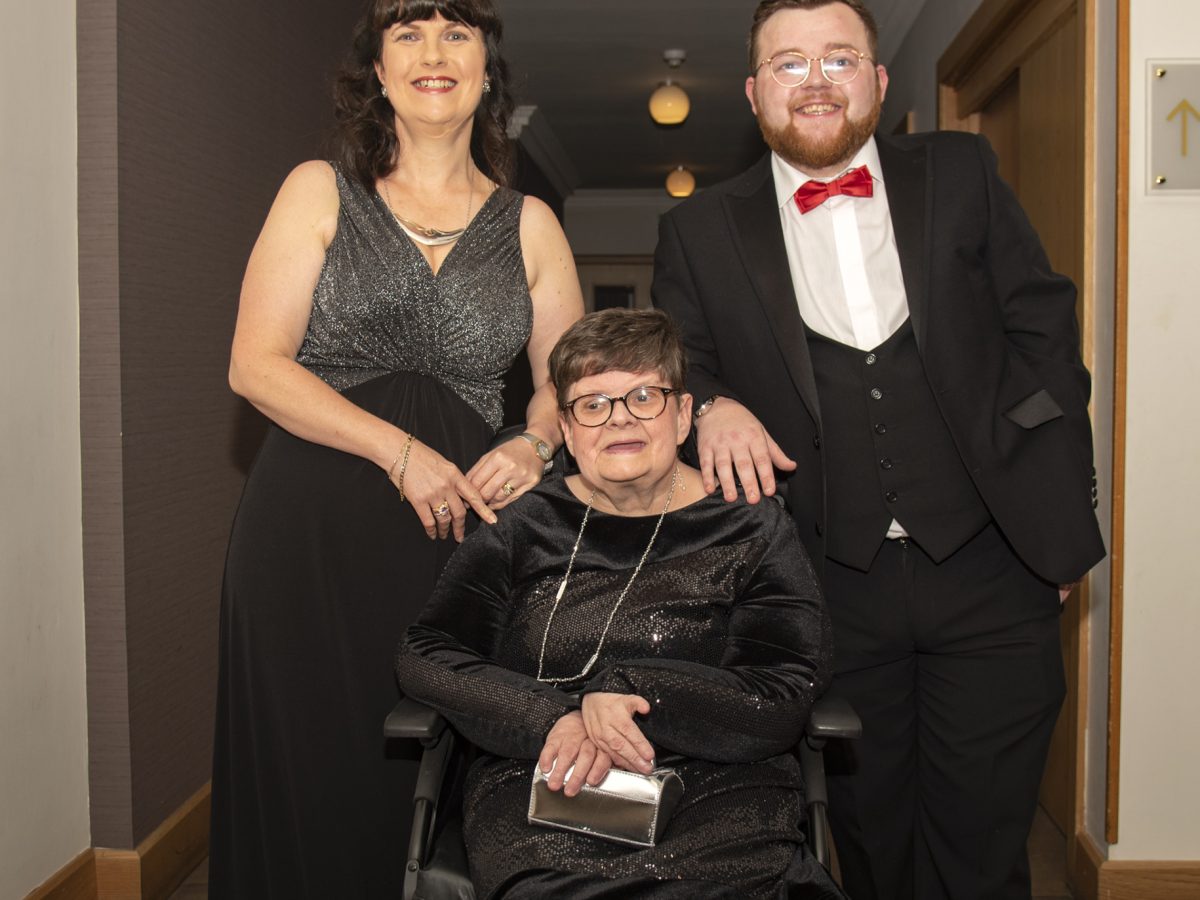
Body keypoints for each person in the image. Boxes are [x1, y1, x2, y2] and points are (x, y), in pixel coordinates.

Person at [651, 2, 1106, 898]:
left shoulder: (961, 171)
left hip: (994, 569)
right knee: (866, 842)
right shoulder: (698, 230)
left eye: (839, 58)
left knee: (985, 845)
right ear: (753, 93)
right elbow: (679, 362)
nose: (815, 82)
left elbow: (1047, 335)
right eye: (788, 64)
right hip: (826, 586)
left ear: (878, 79)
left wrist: (1054, 520)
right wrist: (712, 405)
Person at [208, 0, 582, 895]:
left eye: (456, 33)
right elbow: (255, 365)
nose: (432, 53)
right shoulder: (318, 189)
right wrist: (399, 451)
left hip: (457, 539)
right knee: (312, 755)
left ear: (486, 72)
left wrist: (535, 444)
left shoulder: (531, 223)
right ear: (378, 71)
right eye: (407, 34)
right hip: (307, 530)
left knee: (440, 758)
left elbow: (569, 383)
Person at [395, 308, 845, 899]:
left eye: (644, 396)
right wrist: (554, 716)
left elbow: (785, 689)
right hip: (550, 783)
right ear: (566, 428)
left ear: (682, 415)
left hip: (721, 789)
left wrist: (633, 693)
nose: (619, 419)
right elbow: (426, 652)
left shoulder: (752, 528)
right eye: (592, 404)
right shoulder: (523, 526)